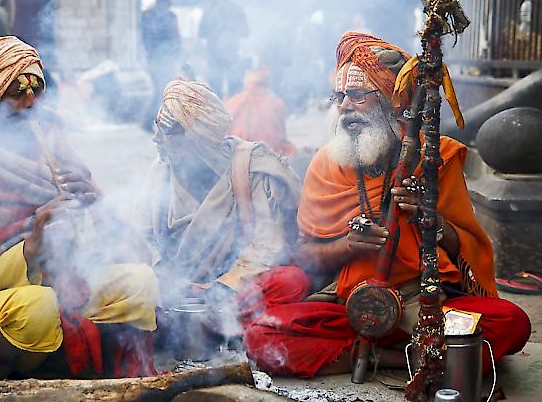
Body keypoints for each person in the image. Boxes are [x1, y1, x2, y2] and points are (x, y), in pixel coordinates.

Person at [243, 32, 531, 378]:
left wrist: (433, 224)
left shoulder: (435, 159)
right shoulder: (327, 162)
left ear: (392, 103)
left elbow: (465, 250)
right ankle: (407, 360)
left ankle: (377, 357)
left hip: (424, 308)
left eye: (358, 95)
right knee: (263, 337)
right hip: (350, 307)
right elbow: (305, 256)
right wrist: (346, 247)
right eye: (340, 96)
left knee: (511, 323)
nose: (345, 106)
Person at [0, 36, 159, 380]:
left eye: (36, 89)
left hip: (64, 286)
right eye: (16, 91)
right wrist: (29, 248)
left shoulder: (54, 148)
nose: (30, 102)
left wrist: (97, 206)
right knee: (36, 308)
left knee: (139, 281)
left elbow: (96, 247)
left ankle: (85, 368)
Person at [136, 79, 300, 343]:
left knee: (289, 281)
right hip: (180, 290)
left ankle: (223, 330)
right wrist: (166, 281)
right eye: (156, 127)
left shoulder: (250, 167)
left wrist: (219, 288)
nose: (156, 138)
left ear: (198, 135)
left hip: (235, 286)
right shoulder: (160, 172)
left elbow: (267, 248)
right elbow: (145, 239)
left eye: (166, 130)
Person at [225, 66, 297, 157]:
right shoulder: (277, 103)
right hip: (271, 156)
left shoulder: (233, 102)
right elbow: (282, 136)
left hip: (241, 156)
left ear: (246, 82)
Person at [199, 0, 249, 97]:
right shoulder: (237, 9)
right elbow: (246, 32)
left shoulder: (209, 11)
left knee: (216, 88)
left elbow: (202, 33)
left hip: (214, 52)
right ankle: (234, 109)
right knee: (234, 86)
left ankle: (218, 111)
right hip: (232, 50)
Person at [141, 0, 181, 126]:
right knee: (163, 90)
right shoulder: (169, 16)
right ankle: (148, 121)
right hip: (164, 59)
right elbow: (176, 39)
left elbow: (143, 38)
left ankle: (154, 120)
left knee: (161, 89)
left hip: (155, 58)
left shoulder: (146, 15)